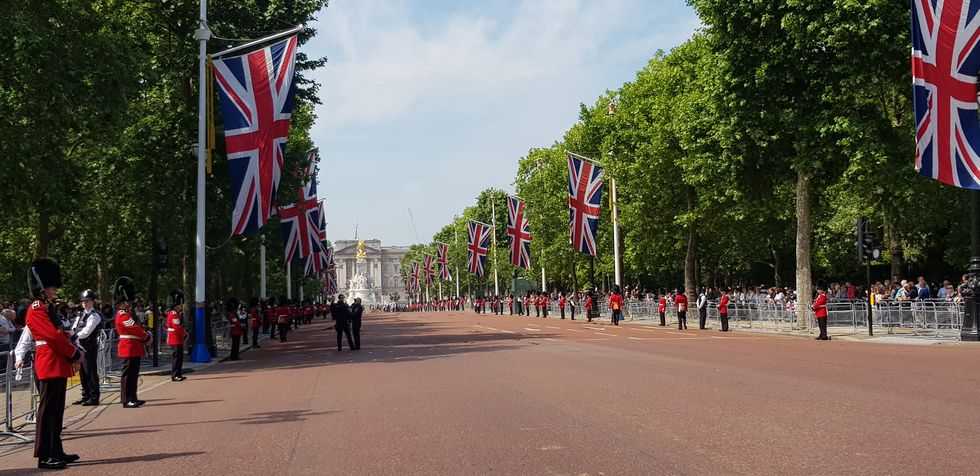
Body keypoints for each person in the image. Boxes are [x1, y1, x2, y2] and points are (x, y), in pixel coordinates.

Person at [25, 258, 82, 469]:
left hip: (57, 361)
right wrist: (73, 353)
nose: (55, 290)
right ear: (42, 288)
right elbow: (52, 336)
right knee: (48, 411)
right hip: (49, 361)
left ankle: (56, 450)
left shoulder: (48, 308)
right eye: (51, 287)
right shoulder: (37, 308)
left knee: (57, 411)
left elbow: (60, 334)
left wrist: (72, 348)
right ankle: (44, 455)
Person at [114, 277, 150, 408]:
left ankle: (133, 397)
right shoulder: (122, 315)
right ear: (121, 303)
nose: (128, 304)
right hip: (128, 346)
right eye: (126, 302)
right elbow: (134, 328)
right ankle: (126, 399)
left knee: (133, 374)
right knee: (128, 375)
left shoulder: (128, 313)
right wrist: (146, 336)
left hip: (134, 346)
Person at [70, 289, 102, 406]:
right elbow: (74, 328)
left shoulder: (94, 316)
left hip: (89, 346)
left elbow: (87, 331)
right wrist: (71, 335)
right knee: (82, 372)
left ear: (92, 301)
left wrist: (74, 337)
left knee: (90, 371)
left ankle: (94, 397)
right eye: (83, 301)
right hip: (79, 345)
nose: (84, 303)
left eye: (87, 301)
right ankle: (85, 395)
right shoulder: (80, 315)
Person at [166, 291, 186, 381]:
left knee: (179, 357)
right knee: (176, 358)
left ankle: (178, 374)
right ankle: (175, 375)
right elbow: (177, 327)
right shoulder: (174, 314)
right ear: (176, 306)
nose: (181, 306)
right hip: (175, 338)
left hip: (178, 338)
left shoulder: (177, 314)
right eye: (180, 305)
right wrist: (185, 333)